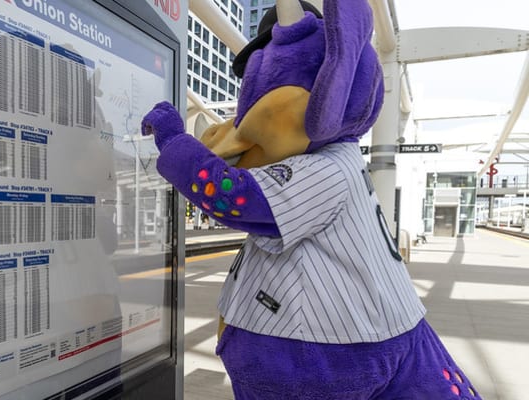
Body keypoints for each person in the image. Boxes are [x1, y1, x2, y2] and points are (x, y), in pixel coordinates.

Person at [142, 0, 481, 398]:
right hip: (376, 334)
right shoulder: (345, 162)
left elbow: (234, 198)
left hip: (318, 346)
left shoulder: (326, 168)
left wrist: (174, 143)